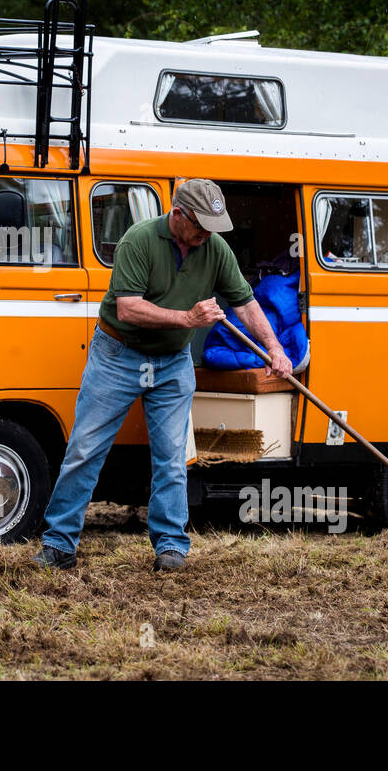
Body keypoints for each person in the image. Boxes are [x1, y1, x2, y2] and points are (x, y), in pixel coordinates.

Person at [33, 179, 292, 572]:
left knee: (172, 457)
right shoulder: (137, 241)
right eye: (201, 224)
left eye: (213, 225)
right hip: (117, 355)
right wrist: (188, 319)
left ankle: (171, 547)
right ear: (178, 215)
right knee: (85, 449)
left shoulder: (214, 248)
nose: (207, 233)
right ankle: (58, 544)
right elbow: (128, 309)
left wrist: (275, 349)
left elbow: (245, 302)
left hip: (172, 363)